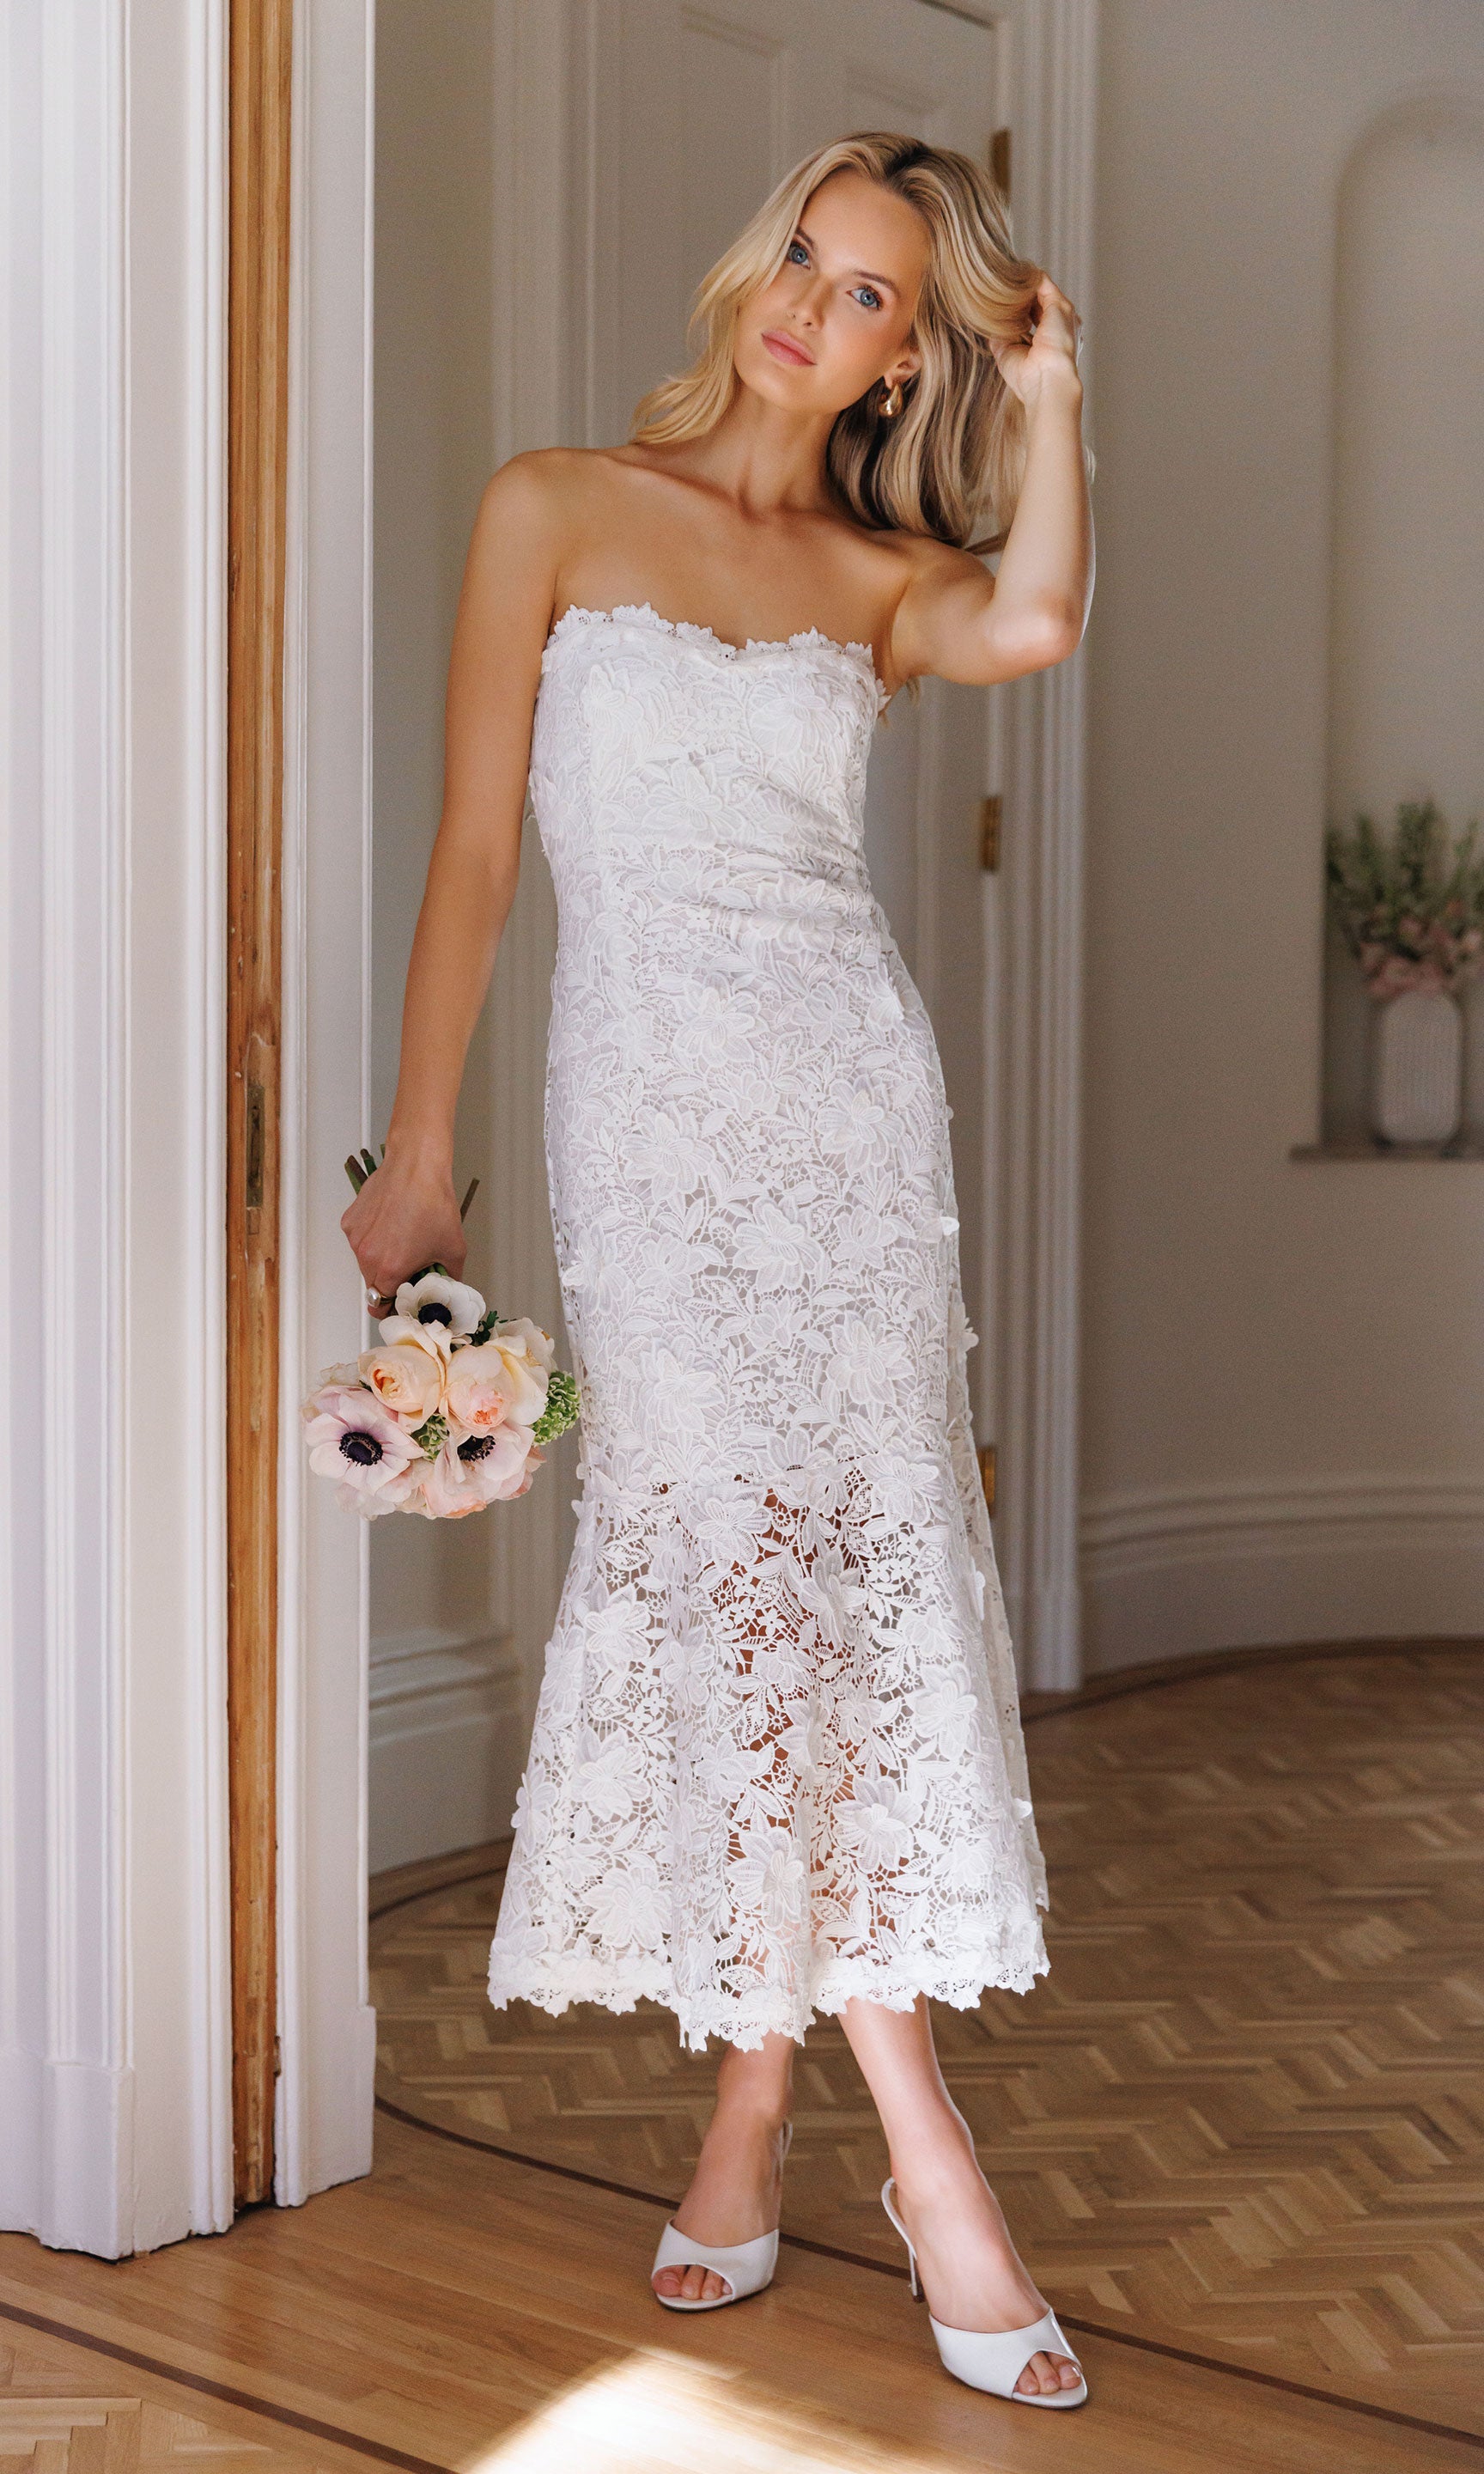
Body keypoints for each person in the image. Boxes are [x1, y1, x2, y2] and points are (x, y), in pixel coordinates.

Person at [344, 131, 1092, 2408]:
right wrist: (432, 1142)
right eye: (805, 256)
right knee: (743, 1593)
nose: (810, 306)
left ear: (897, 355)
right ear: (753, 261)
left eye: (870, 295)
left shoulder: (883, 573)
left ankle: (766, 2121)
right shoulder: (550, 506)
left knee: (842, 1599)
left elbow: (1038, 619)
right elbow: (479, 848)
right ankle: (928, 2156)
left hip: (849, 1125)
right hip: (649, 1135)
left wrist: (1054, 408)